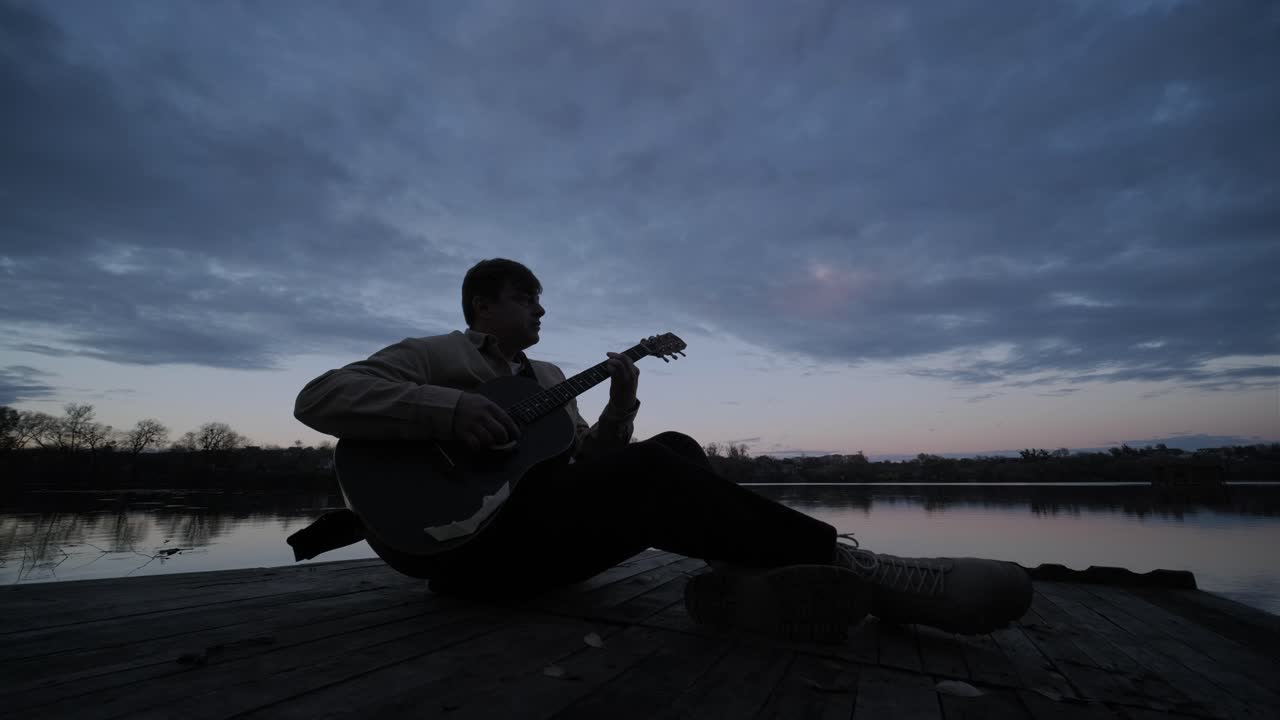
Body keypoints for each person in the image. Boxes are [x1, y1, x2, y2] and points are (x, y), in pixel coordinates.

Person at [292, 258, 1032, 644]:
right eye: (527, 298)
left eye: (542, 301)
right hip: (457, 554)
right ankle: (861, 569)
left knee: (670, 445)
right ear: (484, 304)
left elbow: (581, 469)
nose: (542, 310)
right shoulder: (437, 355)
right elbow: (321, 397)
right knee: (654, 467)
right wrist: (449, 408)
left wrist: (620, 405)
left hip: (534, 540)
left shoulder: (547, 380)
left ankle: (749, 585)